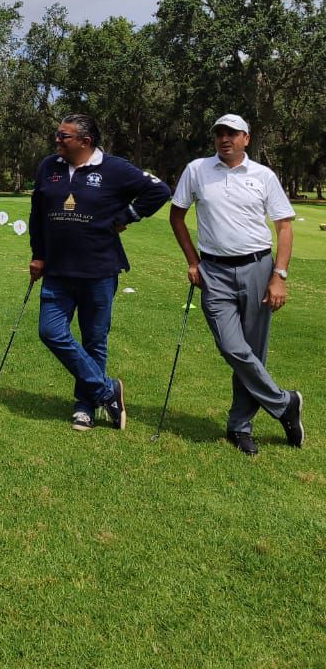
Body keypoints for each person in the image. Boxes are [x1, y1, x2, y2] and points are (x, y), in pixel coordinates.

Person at [170, 113, 304, 456]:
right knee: (233, 348)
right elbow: (177, 215)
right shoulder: (197, 169)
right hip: (213, 271)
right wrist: (192, 261)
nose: (224, 139)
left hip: (258, 268)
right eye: (219, 134)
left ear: (246, 138)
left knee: (253, 353)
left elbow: (284, 227)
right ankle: (284, 403)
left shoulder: (264, 176)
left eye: (232, 133)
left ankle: (240, 427)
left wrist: (279, 275)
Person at [29, 114, 170, 431]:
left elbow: (160, 190)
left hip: (99, 270)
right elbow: (37, 214)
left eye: (63, 136)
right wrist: (38, 254)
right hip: (57, 270)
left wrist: (129, 214)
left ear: (85, 141)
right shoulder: (48, 167)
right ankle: (108, 391)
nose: (57, 141)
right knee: (50, 332)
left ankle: (85, 406)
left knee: (94, 340)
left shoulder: (115, 169)